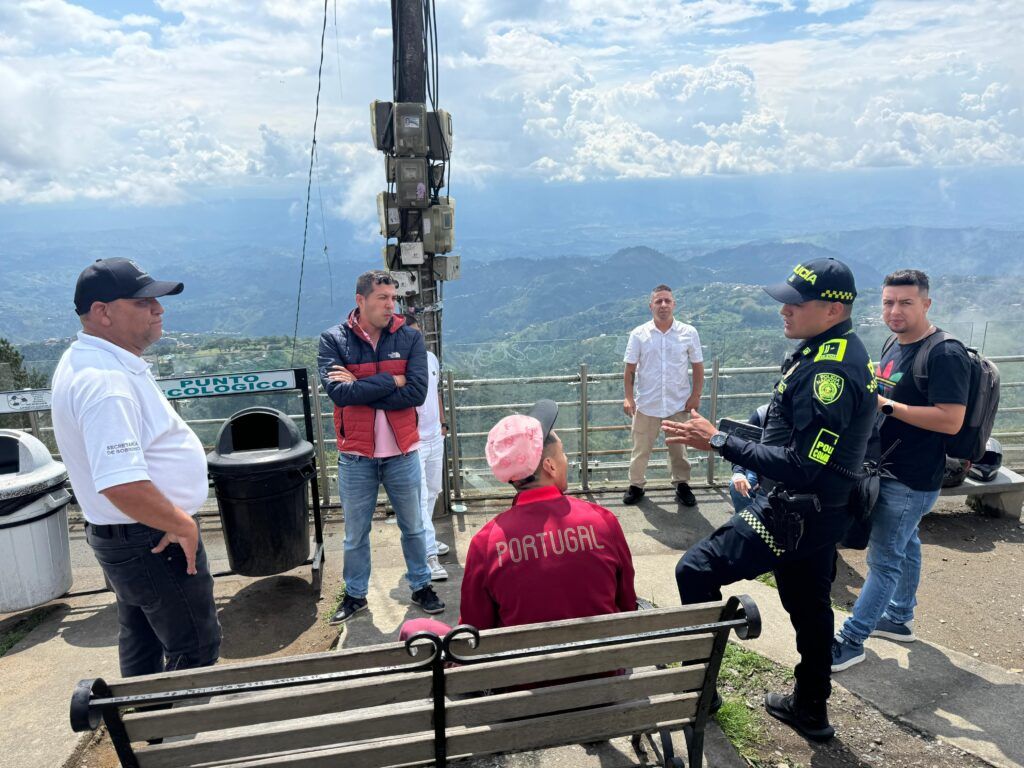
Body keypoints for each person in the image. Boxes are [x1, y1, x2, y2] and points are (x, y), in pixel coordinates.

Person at [663, 258, 876, 742]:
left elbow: (803, 463)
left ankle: (700, 690)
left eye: (793, 303)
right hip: (822, 512)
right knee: (810, 608)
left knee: (693, 571)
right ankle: (811, 709)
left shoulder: (830, 371)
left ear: (830, 309)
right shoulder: (834, 349)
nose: (783, 310)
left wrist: (719, 441)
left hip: (790, 513)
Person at [51, 258, 221, 677]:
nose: (158, 309)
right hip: (152, 537)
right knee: (195, 650)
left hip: (131, 535)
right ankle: (175, 737)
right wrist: (181, 523)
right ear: (102, 312)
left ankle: (144, 729)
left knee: (142, 638)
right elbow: (120, 482)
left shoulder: (91, 362)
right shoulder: (105, 381)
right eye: (142, 302)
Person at [401, 399, 636, 640]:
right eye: (563, 453)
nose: (567, 460)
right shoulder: (603, 521)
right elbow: (628, 605)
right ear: (550, 466)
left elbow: (476, 630)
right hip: (606, 669)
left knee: (413, 628)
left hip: (522, 676)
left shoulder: (486, 543)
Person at [832, 270, 969, 671]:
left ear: (926, 304)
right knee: (905, 545)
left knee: (885, 558)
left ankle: (852, 640)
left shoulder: (944, 354)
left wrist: (886, 406)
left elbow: (951, 420)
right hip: (885, 468)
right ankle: (900, 617)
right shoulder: (894, 342)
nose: (895, 310)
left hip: (911, 478)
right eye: (889, 302)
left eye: (906, 302)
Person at [318, 270, 444, 623]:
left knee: (415, 525)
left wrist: (362, 385)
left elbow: (417, 393)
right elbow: (339, 393)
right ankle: (355, 594)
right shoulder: (333, 341)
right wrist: (391, 379)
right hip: (356, 457)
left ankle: (422, 585)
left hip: (403, 452)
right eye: (383, 298)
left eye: (393, 298)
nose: (391, 305)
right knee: (355, 534)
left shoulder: (409, 339)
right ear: (361, 300)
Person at [622, 284, 704, 507]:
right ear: (651, 306)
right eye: (658, 301)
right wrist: (628, 397)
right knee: (640, 450)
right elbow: (629, 369)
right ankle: (636, 485)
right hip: (647, 403)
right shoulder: (639, 334)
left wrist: (696, 395)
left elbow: (698, 367)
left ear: (674, 304)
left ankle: (681, 484)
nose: (663, 305)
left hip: (677, 403)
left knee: (679, 450)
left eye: (667, 300)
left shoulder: (689, 333)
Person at [404, 312, 450, 581]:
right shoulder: (398, 364)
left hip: (435, 436)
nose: (419, 337)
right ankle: (428, 554)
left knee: (434, 490)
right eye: (413, 333)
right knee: (420, 497)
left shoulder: (430, 359)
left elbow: (436, 393)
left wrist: (443, 425)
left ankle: (426, 539)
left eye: (419, 332)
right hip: (414, 441)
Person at [729, 405, 768, 513]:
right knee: (737, 485)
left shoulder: (806, 416)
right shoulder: (762, 414)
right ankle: (748, 521)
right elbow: (742, 446)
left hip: (789, 469)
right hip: (759, 466)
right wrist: (739, 473)